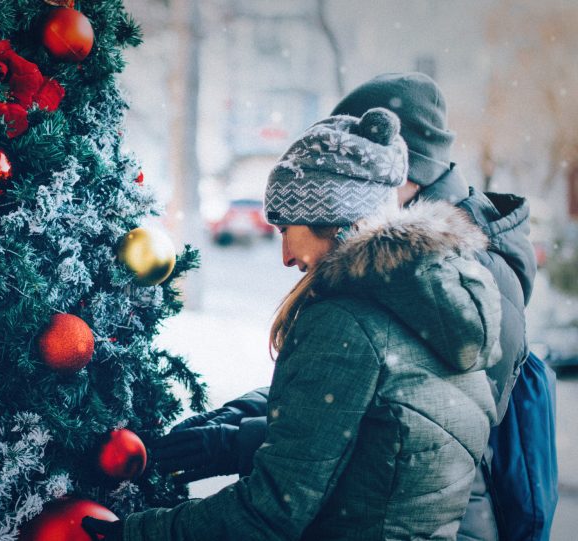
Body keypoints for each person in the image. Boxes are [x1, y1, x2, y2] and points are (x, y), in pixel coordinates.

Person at [148, 72, 537, 541]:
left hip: (455, 517)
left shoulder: (463, 266)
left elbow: (388, 410)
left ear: (402, 168)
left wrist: (239, 441)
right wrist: (235, 420)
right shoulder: (421, 270)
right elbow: (361, 390)